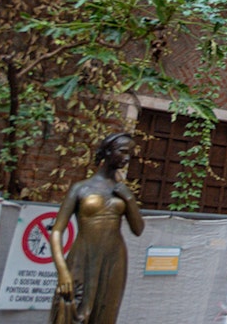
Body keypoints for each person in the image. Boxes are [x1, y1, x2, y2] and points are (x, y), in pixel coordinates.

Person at [48, 132, 145, 324]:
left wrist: (129, 198)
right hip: (83, 255)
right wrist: (62, 271)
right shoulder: (81, 188)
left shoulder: (122, 191)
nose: (127, 158)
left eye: (130, 154)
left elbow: (138, 229)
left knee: (106, 312)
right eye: (123, 151)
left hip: (114, 257)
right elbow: (57, 231)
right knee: (72, 308)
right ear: (108, 152)